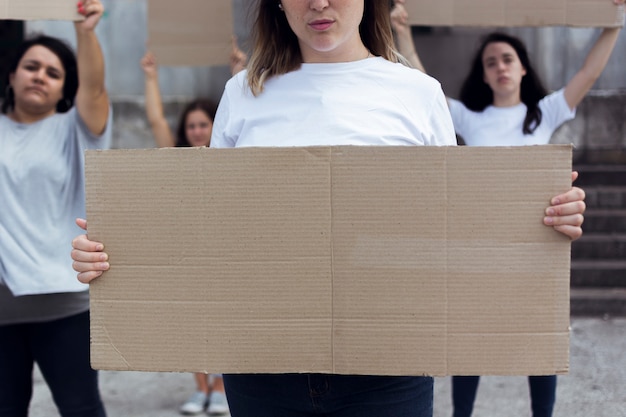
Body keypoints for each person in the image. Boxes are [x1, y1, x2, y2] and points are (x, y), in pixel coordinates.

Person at [71, 0, 586, 416]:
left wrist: (544, 217)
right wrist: (117, 248)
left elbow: (452, 226)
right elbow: (210, 226)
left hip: (390, 367)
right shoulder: (243, 93)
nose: (319, 3)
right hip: (262, 366)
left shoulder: (418, 93)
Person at [390, 0, 621, 415]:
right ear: (483, 73)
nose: (500, 66)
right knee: (471, 340)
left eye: (507, 58)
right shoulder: (467, 118)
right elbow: (422, 81)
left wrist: (613, 23)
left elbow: (589, 72)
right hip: (479, 245)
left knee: (538, 336)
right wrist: (404, 32)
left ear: (523, 68)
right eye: (491, 61)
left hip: (535, 244)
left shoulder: (543, 113)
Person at [0, 1, 111, 417]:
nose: (40, 76)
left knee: (81, 408)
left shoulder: (75, 129)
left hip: (63, 305)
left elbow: (96, 90)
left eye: (53, 72)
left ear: (66, 89)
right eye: (31, 66)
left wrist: (85, 31)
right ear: (12, 75)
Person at [139, 44, 246, 415]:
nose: (198, 130)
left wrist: (238, 74)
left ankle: (219, 388)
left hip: (226, 252)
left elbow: (241, 110)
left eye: (204, 124)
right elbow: (155, 120)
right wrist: (151, 78)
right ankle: (200, 388)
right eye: (192, 125)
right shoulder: (177, 158)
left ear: (215, 126)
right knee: (190, 321)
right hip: (186, 251)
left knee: (223, 319)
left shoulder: (228, 157)